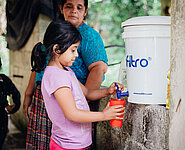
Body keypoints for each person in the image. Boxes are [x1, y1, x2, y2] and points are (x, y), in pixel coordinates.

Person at [23, 0, 108, 149]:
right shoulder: (57, 73)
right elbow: (38, 66)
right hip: (63, 108)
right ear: (61, 8)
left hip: (70, 102)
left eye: (79, 7)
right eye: (69, 6)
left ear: (85, 11)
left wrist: (106, 92)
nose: (74, 11)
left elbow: (94, 77)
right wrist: (28, 94)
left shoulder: (68, 70)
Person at [32, 20, 124, 150]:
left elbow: (87, 93)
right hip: (67, 145)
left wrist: (108, 91)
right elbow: (72, 114)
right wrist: (104, 115)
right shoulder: (56, 77)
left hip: (76, 143)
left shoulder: (66, 71)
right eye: (73, 50)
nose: (76, 55)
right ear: (57, 49)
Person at [0, 57, 21, 150]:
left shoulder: (4, 79)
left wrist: (14, 106)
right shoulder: (3, 79)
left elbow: (15, 93)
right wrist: (7, 106)